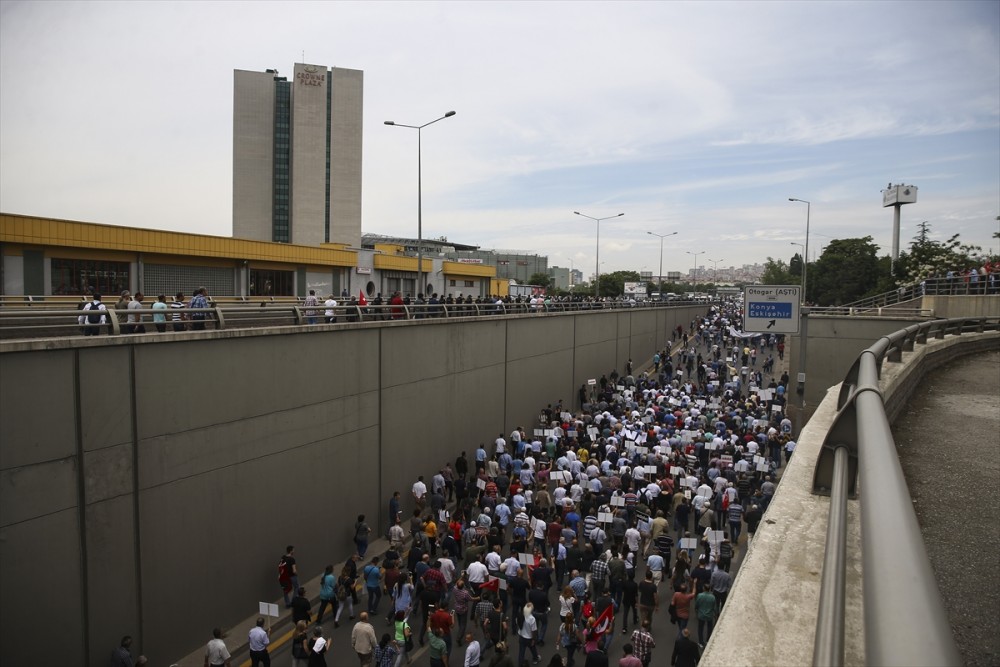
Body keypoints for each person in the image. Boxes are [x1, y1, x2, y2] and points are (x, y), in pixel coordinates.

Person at [517, 601, 540, 666]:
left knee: (521, 652)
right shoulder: (532, 619)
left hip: (521, 636)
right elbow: (534, 630)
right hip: (529, 638)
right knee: (533, 649)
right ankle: (535, 659)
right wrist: (533, 639)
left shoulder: (520, 614)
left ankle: (520, 663)